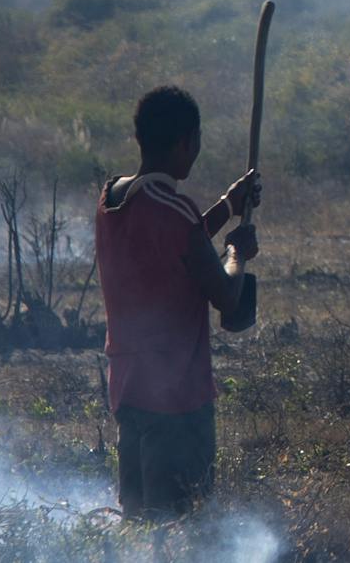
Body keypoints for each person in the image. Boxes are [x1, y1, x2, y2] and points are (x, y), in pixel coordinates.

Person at [96, 85, 262, 522]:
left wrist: (228, 206)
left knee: (138, 521)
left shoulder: (112, 197)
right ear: (189, 141)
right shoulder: (174, 208)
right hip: (176, 397)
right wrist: (237, 252)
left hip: (129, 388)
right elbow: (226, 295)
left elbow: (174, 246)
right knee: (185, 526)